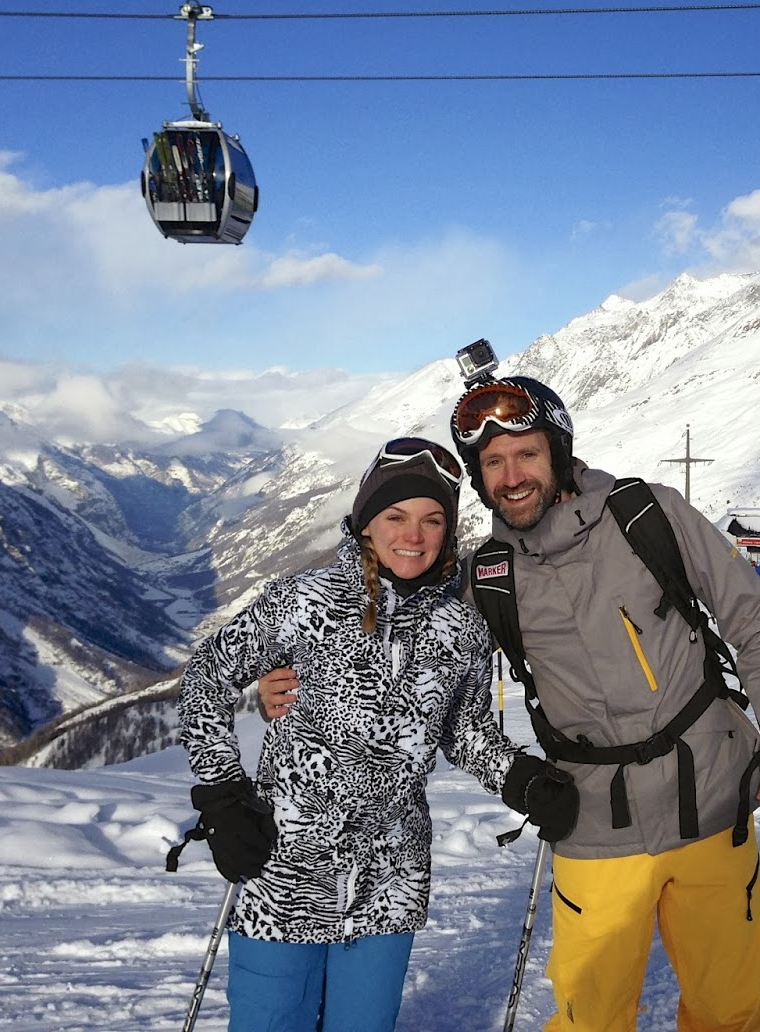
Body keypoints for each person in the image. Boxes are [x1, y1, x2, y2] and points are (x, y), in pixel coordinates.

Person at [448, 374, 760, 1032]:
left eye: (526, 453)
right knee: (589, 1022)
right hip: (592, 825)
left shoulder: (649, 516)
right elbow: (442, 700)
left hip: (711, 803)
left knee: (729, 1015)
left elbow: (753, 623)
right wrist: (515, 776)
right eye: (493, 462)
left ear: (558, 451)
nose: (512, 476)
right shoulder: (489, 579)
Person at [179, 438, 577, 1032]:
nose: (413, 535)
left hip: (390, 880)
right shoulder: (303, 603)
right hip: (282, 868)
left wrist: (520, 778)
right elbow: (206, 678)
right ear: (366, 523)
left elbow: (464, 730)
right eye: (396, 516)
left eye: (432, 520)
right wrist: (223, 797)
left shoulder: (461, 629)